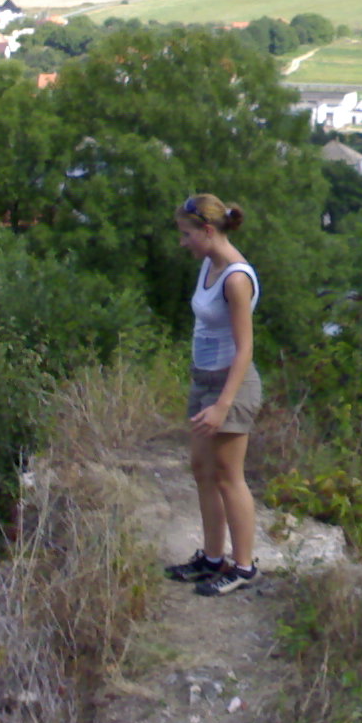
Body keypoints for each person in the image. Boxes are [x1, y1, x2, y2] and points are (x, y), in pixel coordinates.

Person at [164, 192, 264, 596]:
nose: (183, 242)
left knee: (228, 476)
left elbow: (245, 349)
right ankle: (211, 557)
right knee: (203, 470)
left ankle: (243, 567)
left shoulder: (236, 278)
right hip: (203, 380)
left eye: (187, 234)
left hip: (229, 386)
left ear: (207, 230)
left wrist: (223, 405)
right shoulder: (209, 264)